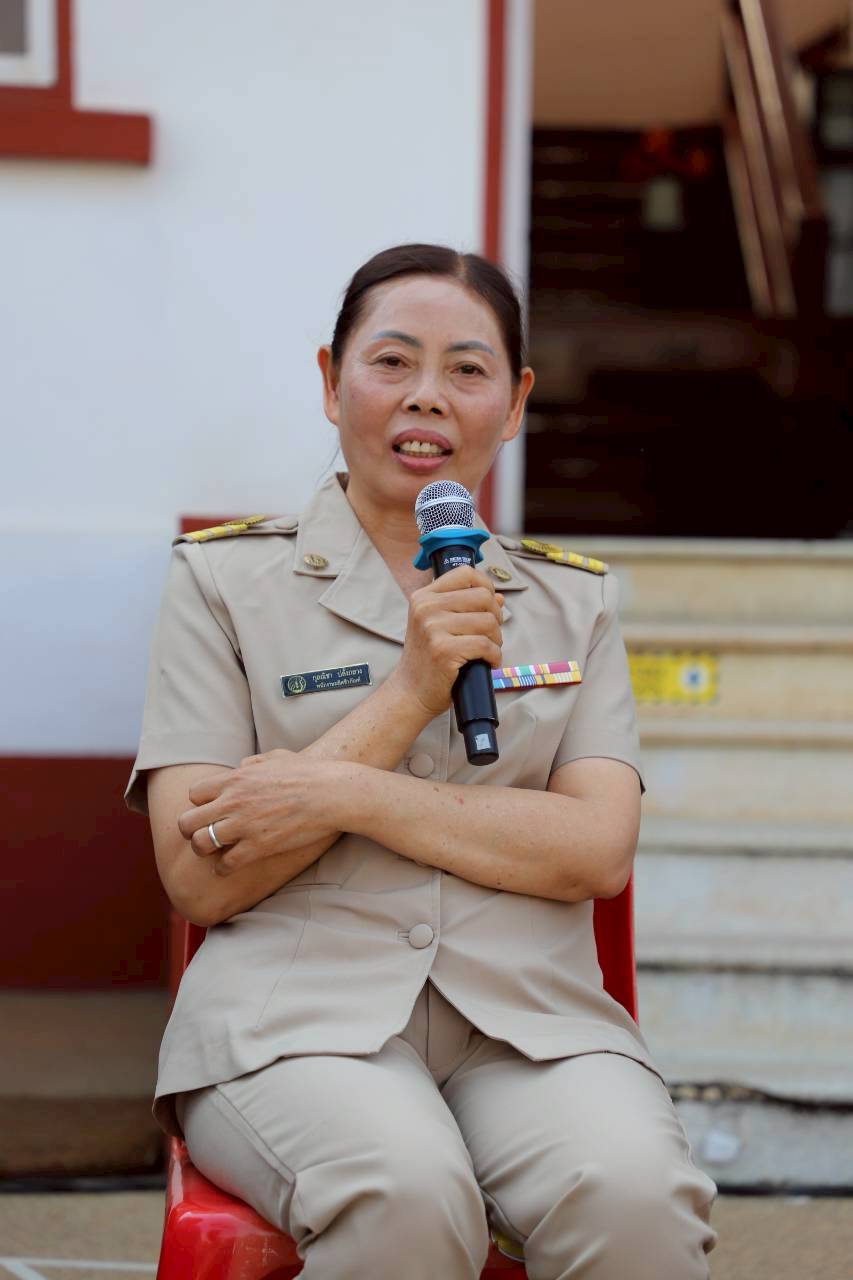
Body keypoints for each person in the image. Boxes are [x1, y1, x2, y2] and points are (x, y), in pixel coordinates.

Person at [125, 243, 717, 1279]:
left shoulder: (574, 601)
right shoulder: (224, 584)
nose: (427, 396)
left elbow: (593, 848)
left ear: (514, 401)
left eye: (467, 369)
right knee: (404, 1190)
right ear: (331, 381)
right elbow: (200, 873)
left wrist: (340, 789)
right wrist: (408, 693)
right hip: (294, 1025)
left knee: (638, 1198)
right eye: (392, 361)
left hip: (528, 1030)